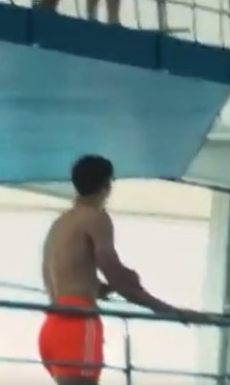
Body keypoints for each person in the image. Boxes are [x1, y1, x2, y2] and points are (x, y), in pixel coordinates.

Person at [38, 155, 209, 384]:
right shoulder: (95, 218)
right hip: (77, 325)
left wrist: (105, 288)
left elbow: (71, 278)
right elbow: (116, 276)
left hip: (52, 327)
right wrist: (171, 311)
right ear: (107, 185)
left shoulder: (60, 224)